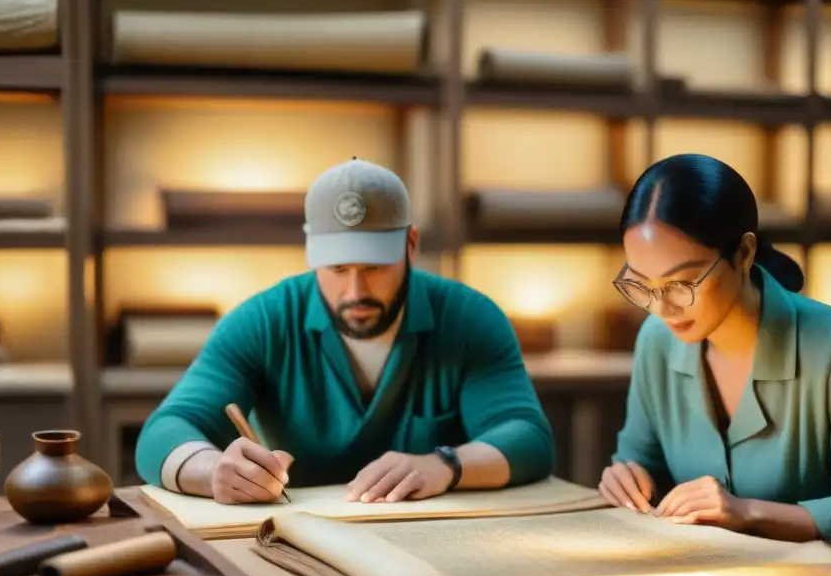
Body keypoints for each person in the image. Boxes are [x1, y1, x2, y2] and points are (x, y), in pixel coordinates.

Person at [599, 152, 831, 575]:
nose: (662, 307)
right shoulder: (657, 340)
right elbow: (643, 461)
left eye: (682, 283)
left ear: (743, 253)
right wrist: (631, 479)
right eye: (641, 284)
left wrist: (748, 511)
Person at [135, 157, 554, 505]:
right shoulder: (264, 320)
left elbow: (528, 437)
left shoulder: (469, 318)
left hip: (437, 539)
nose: (355, 291)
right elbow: (164, 430)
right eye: (337, 269)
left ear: (410, 244)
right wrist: (212, 473)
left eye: (374, 267)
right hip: (300, 541)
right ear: (310, 252)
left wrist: (445, 464)